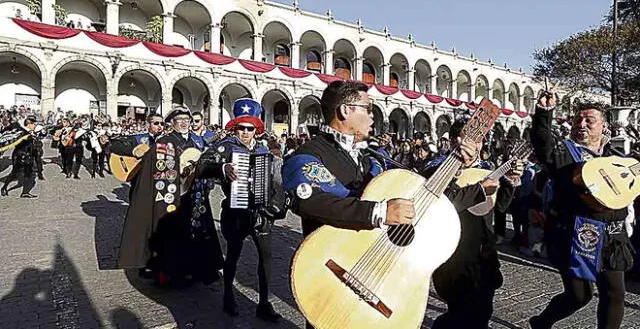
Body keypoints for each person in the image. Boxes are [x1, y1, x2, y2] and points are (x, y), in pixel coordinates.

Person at [283, 81, 440, 329]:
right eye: (367, 109)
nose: (372, 116)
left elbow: (408, 188)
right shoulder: (309, 154)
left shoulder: (370, 157)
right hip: (332, 273)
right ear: (345, 111)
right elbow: (312, 202)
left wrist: (456, 165)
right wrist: (378, 211)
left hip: (375, 269)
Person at [529, 94, 635, 329]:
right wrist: (544, 113)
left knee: (615, 293)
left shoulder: (617, 156)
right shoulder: (563, 153)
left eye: (590, 120)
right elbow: (542, 140)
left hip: (613, 237)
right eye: (578, 120)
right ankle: (541, 322)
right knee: (579, 296)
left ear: (604, 126)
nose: (582, 124)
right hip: (577, 235)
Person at [422, 118, 523, 329]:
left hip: (484, 254)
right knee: (461, 314)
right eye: (469, 140)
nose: (475, 146)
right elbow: (437, 205)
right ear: (453, 142)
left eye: (479, 140)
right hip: (454, 257)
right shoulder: (435, 170)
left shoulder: (487, 168)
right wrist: (475, 187)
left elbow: (499, 206)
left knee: (483, 312)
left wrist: (511, 182)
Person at [117, 107, 224, 288]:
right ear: (172, 123)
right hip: (171, 196)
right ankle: (173, 274)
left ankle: (197, 270)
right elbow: (157, 170)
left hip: (195, 195)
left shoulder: (197, 142)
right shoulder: (164, 142)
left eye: (187, 119)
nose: (184, 122)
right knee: (173, 234)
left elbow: (206, 163)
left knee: (197, 232)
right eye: (179, 119)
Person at [204, 98, 283, 322]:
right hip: (236, 212)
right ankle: (228, 294)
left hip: (261, 214)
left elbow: (277, 181)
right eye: (241, 127)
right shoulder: (226, 147)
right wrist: (221, 167)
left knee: (265, 258)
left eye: (250, 128)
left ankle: (264, 303)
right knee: (233, 255)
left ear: (257, 129)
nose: (246, 132)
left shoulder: (265, 150)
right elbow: (201, 166)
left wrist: (276, 205)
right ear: (235, 128)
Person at [1, 116, 39, 198]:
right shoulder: (21, 132)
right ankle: (4, 188)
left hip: (29, 155)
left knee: (28, 174)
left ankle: (25, 192)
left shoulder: (31, 132)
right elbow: (16, 141)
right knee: (14, 173)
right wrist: (27, 137)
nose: (35, 125)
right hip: (19, 155)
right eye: (34, 124)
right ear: (29, 124)